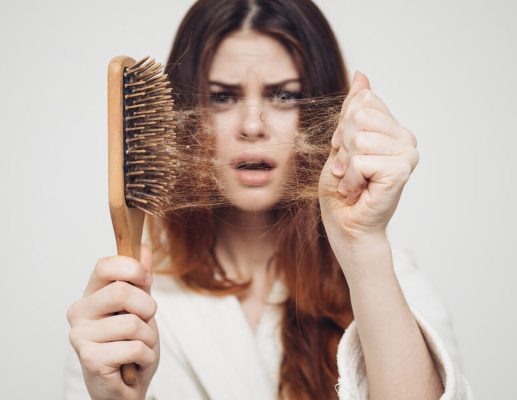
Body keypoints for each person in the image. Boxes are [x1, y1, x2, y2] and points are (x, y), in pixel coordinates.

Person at [64, 0, 474, 399]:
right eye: (223, 97)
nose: (252, 126)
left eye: (283, 96)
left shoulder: (387, 279)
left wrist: (362, 245)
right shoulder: (126, 313)